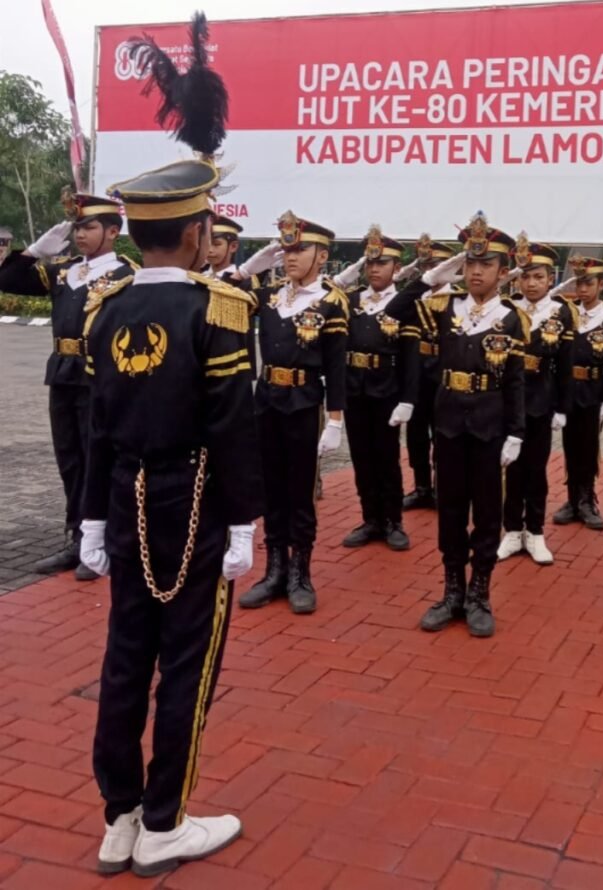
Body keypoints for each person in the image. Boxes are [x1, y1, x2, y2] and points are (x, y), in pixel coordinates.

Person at [78, 13, 263, 875]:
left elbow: (93, 423)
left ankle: (117, 811)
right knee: (185, 659)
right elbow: (229, 425)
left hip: (121, 494)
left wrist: (86, 517)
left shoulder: (105, 308)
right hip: (188, 499)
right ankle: (162, 820)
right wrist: (241, 523)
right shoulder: (216, 309)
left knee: (125, 652)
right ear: (193, 231)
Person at [383, 213, 526, 636]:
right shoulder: (443, 309)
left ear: (503, 272)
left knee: (485, 513)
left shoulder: (513, 317)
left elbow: (516, 380)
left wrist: (517, 432)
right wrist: (431, 278)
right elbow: (394, 309)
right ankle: (451, 591)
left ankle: (479, 592)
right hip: (447, 427)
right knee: (449, 511)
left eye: (486, 265)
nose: (476, 271)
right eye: (470, 264)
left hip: (489, 428)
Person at [0, 189, 134, 579]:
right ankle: (77, 536)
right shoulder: (64, 271)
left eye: (88, 227)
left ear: (112, 232)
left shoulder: (126, 275)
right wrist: (31, 254)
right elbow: (7, 280)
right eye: (77, 227)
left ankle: (103, 538)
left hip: (101, 378)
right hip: (63, 374)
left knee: (99, 459)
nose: (80, 235)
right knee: (70, 459)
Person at [230, 212, 348, 615]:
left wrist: (335, 419)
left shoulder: (332, 302)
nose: (291, 257)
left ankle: (301, 572)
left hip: (304, 404)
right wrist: (250, 266)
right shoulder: (269, 296)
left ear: (322, 254)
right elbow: (226, 288)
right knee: (271, 488)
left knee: (300, 492)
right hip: (267, 401)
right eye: (286, 249)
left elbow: (336, 365)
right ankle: (273, 569)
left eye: (300, 249)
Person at [339, 226, 419, 550]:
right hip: (355, 390)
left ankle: (392, 521)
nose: (374, 269)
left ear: (397, 268)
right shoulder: (352, 300)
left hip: (386, 391)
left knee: (386, 457)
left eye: (382, 263)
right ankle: (370, 518)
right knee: (361, 456)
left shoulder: (404, 304)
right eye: (370, 263)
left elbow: (412, 358)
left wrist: (409, 400)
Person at [497, 235, 576, 564]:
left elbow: (566, 365)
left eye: (538, 277)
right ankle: (512, 530)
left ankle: (535, 531)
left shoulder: (561, 312)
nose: (531, 283)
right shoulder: (506, 309)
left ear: (550, 279)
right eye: (526, 276)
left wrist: (562, 408)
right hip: (507, 403)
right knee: (509, 469)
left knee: (535, 469)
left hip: (541, 401)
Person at [552, 255, 603, 531]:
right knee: (570, 445)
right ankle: (571, 499)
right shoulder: (568, 314)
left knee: (589, 446)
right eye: (579, 282)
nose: (582, 288)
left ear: (601, 284)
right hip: (569, 390)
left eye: (588, 282)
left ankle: (586, 499)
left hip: (593, 390)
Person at [403, 235, 456, 510]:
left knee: (443, 433)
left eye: (435, 264)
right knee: (415, 433)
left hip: (445, 372)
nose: (429, 271)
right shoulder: (415, 297)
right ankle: (421, 486)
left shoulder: (458, 299)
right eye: (425, 266)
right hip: (417, 372)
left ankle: (442, 487)